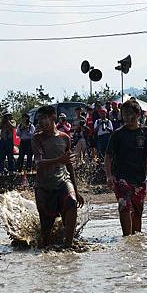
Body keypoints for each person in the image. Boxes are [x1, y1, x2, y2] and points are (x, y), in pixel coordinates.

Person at [32, 105, 84, 248]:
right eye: (39, 119)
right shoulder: (37, 138)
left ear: (53, 118)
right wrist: (59, 160)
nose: (41, 122)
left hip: (63, 181)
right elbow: (39, 163)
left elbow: (69, 165)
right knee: (46, 235)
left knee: (72, 203)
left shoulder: (65, 138)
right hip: (43, 186)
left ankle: (68, 245)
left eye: (44, 118)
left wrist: (77, 191)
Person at [105, 99, 147, 236]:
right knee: (124, 206)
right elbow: (108, 156)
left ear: (138, 114)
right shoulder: (118, 134)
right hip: (121, 177)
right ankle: (126, 238)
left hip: (140, 178)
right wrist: (109, 175)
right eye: (124, 114)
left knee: (137, 211)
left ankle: (135, 241)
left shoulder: (146, 132)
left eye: (130, 114)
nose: (127, 117)